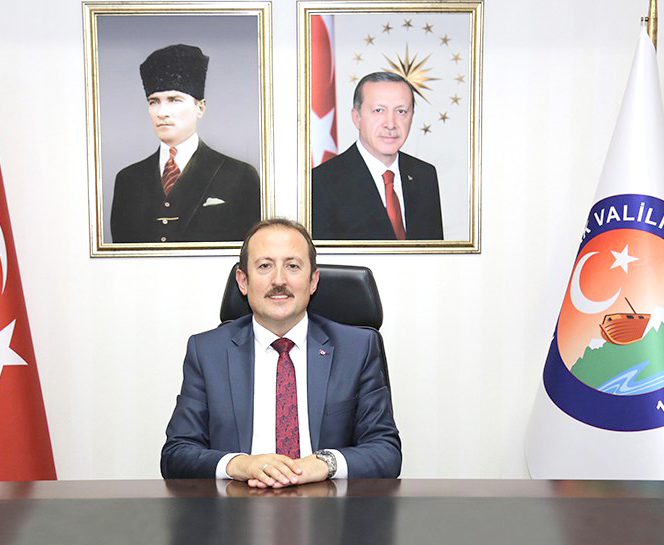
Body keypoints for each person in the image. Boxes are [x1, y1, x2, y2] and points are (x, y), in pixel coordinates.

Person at [161, 218, 401, 487]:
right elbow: (176, 455)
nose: (279, 280)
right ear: (243, 281)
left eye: (292, 266)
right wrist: (239, 464)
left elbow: (386, 452)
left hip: (328, 505)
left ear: (313, 280)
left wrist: (324, 463)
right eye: (265, 266)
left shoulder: (356, 349)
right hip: (237, 504)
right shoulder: (207, 352)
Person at [110, 44, 260, 243]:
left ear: (200, 108)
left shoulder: (240, 176)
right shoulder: (128, 180)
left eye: (174, 100)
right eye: (153, 102)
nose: (162, 112)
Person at [312, 72, 443, 241]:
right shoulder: (322, 182)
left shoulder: (424, 175)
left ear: (412, 117)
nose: (390, 124)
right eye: (379, 110)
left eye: (401, 111)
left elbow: (434, 252)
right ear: (356, 117)